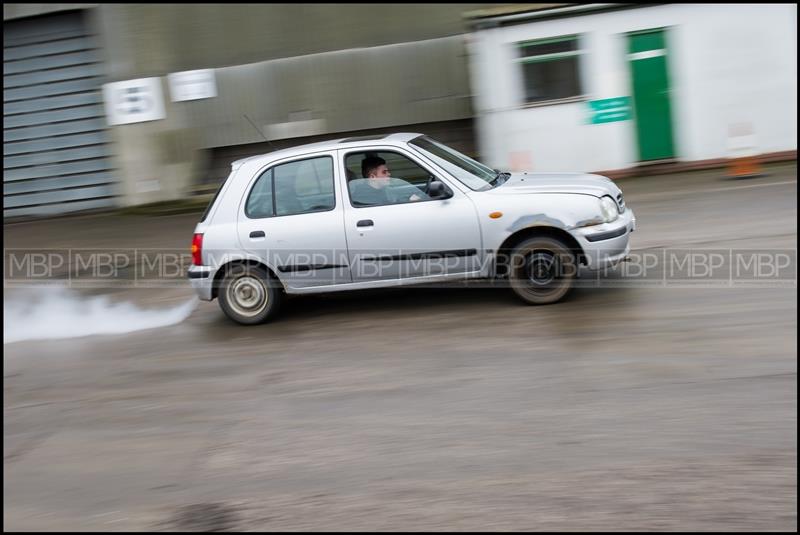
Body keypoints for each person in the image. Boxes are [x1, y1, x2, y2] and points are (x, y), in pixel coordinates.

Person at [348, 155, 427, 206]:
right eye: (384, 172)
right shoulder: (363, 195)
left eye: (388, 171)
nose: (389, 174)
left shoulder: (383, 190)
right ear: (372, 177)